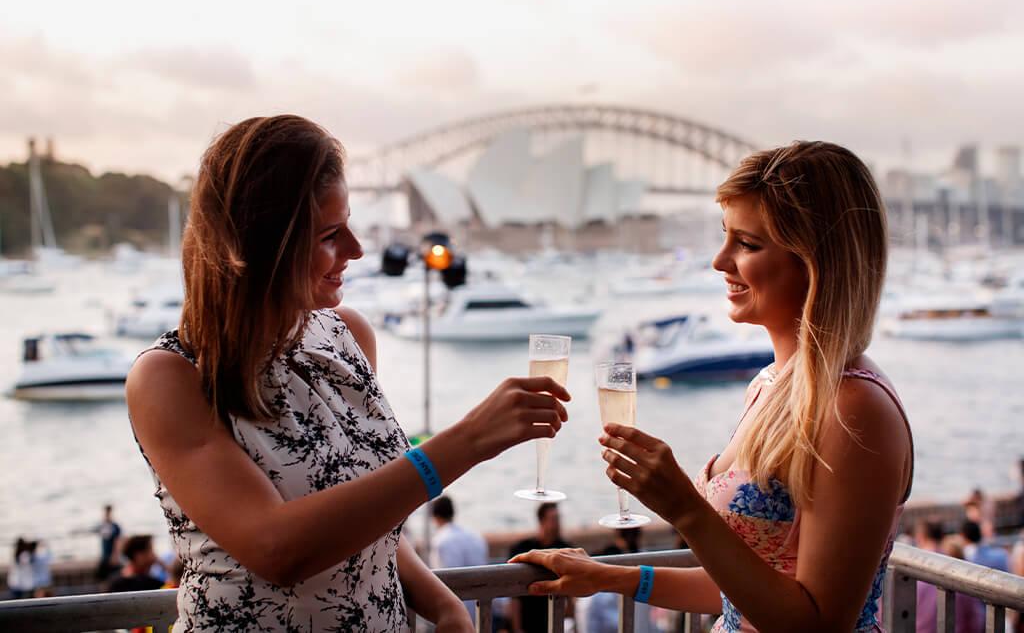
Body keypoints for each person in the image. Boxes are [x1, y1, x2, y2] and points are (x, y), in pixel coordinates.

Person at [126, 115, 570, 631]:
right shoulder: (171, 377)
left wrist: (447, 608)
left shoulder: (348, 336)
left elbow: (365, 518)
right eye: (331, 235)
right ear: (261, 244)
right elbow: (277, 549)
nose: (357, 250)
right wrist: (465, 442)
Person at [511, 141, 915, 632]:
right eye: (726, 237)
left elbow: (818, 621)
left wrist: (684, 506)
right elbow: (742, 593)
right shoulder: (771, 387)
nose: (719, 261)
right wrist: (610, 577)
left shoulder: (855, 409)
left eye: (747, 244)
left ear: (817, 261)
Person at [507, 503, 575, 632]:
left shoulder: (565, 548)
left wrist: (571, 617)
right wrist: (517, 629)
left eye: (558, 519)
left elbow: (571, 592)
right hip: (528, 618)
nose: (558, 524)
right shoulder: (522, 549)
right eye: (554, 519)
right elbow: (514, 597)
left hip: (553, 616)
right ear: (541, 520)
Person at [430, 495, 489, 620]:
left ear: (435, 517)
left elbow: (443, 581)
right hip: (483, 608)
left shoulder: (440, 541)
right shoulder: (475, 536)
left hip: (457, 613)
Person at [95, 504, 122, 580]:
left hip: (112, 557)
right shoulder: (102, 525)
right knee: (101, 577)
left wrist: (115, 555)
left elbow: (117, 541)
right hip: (104, 557)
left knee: (114, 577)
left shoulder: (115, 526)